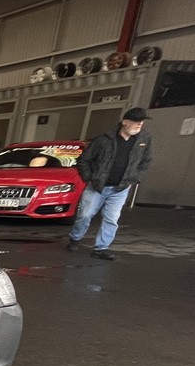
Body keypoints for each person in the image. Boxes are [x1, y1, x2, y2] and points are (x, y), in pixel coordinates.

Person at [65, 107, 154, 260]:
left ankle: (101, 248)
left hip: (121, 188)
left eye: (141, 122)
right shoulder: (103, 140)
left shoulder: (144, 140)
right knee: (85, 215)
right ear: (125, 122)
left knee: (112, 218)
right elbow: (84, 160)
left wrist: (133, 178)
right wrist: (89, 178)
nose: (139, 125)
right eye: (136, 122)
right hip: (97, 186)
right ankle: (75, 238)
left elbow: (145, 162)